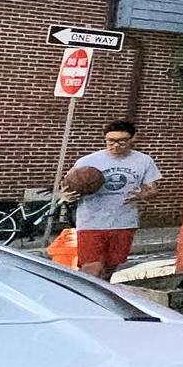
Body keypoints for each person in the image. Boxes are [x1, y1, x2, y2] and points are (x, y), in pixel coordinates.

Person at [66, 119, 161, 279]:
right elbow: (67, 187)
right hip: (92, 222)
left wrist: (143, 194)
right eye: (111, 141)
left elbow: (153, 189)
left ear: (132, 139)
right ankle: (86, 300)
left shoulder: (144, 161)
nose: (115, 145)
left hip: (123, 221)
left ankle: (102, 300)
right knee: (92, 269)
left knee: (109, 269)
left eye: (122, 141)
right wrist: (68, 195)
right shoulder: (87, 161)